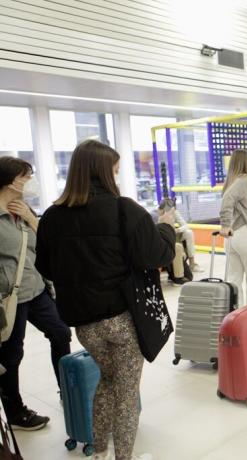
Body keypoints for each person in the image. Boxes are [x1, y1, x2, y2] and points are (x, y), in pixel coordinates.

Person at [36, 140, 175, 460]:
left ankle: (99, 452)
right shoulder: (124, 209)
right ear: (104, 172)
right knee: (126, 394)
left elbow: (45, 266)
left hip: (85, 325)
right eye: (115, 169)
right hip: (123, 321)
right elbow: (157, 254)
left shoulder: (52, 217)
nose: (117, 175)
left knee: (107, 383)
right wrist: (165, 227)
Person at [0, 157, 71, 432]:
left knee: (61, 333)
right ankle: (15, 412)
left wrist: (31, 219)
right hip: (10, 297)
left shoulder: (23, 209)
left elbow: (46, 245)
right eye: (27, 175)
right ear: (11, 181)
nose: (32, 180)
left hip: (37, 289)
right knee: (11, 355)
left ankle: (67, 391)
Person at [220, 149, 247, 307]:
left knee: (234, 280)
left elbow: (233, 202)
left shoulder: (230, 181)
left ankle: (236, 318)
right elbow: (227, 200)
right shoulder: (244, 179)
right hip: (245, 234)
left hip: (232, 238)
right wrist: (225, 223)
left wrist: (226, 225)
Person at [157, 200, 202, 273]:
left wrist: (177, 230)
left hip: (173, 234)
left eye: (171, 211)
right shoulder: (155, 215)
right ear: (161, 209)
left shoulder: (174, 212)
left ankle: (192, 264)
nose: (169, 213)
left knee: (189, 233)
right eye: (167, 212)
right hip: (162, 238)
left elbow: (186, 225)